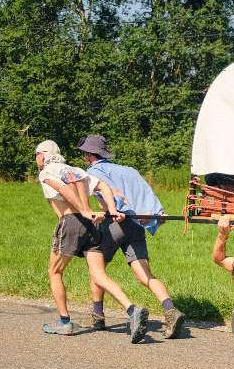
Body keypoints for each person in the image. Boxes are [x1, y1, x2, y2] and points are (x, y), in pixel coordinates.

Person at [34, 140, 149, 343]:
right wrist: (112, 211)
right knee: (99, 275)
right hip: (93, 226)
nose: (35, 158)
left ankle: (64, 321)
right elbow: (103, 186)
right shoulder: (75, 169)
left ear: (43, 155)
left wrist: (84, 210)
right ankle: (132, 310)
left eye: (36, 154)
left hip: (71, 222)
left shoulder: (47, 172)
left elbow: (64, 189)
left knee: (54, 272)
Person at [77, 134, 186, 339]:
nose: (84, 156)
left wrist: (111, 209)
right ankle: (171, 311)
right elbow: (146, 195)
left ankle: (97, 316)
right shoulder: (130, 170)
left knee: (97, 270)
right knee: (145, 274)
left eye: (84, 153)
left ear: (90, 154)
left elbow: (109, 196)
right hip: (137, 224)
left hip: (115, 223)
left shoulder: (93, 171)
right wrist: (154, 215)